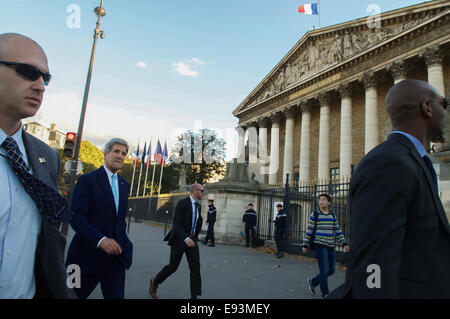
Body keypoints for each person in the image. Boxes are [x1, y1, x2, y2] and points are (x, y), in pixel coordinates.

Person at [336, 79, 450, 298]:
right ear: (427, 107)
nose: (445, 110)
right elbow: (373, 262)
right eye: (442, 102)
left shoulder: (412, 160)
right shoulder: (388, 163)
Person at [0, 33, 75, 299]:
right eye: (28, 72)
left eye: (46, 78)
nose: (40, 85)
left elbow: (48, 246)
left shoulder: (47, 157)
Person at [66, 138, 133, 299]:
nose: (120, 156)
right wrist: (100, 240)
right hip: (84, 258)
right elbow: (77, 217)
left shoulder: (124, 184)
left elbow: (119, 220)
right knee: (70, 296)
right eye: (116, 151)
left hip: (115, 261)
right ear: (105, 153)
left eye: (124, 153)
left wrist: (126, 246)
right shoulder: (87, 180)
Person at [150, 184, 205, 299]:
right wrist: (186, 238)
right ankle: (155, 282)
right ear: (194, 191)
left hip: (192, 240)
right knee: (173, 266)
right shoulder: (182, 203)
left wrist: (194, 237)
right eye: (202, 191)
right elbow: (177, 224)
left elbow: (197, 222)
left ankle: (194, 296)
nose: (203, 193)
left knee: (195, 267)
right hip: (179, 239)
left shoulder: (198, 206)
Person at [302, 194, 349, 298]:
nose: (321, 202)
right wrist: (305, 244)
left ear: (329, 203)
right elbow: (309, 229)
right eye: (320, 200)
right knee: (324, 270)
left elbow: (337, 230)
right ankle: (325, 293)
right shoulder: (315, 214)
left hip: (330, 245)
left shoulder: (332, 215)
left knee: (331, 270)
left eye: (323, 200)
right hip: (319, 244)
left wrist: (344, 243)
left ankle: (313, 282)